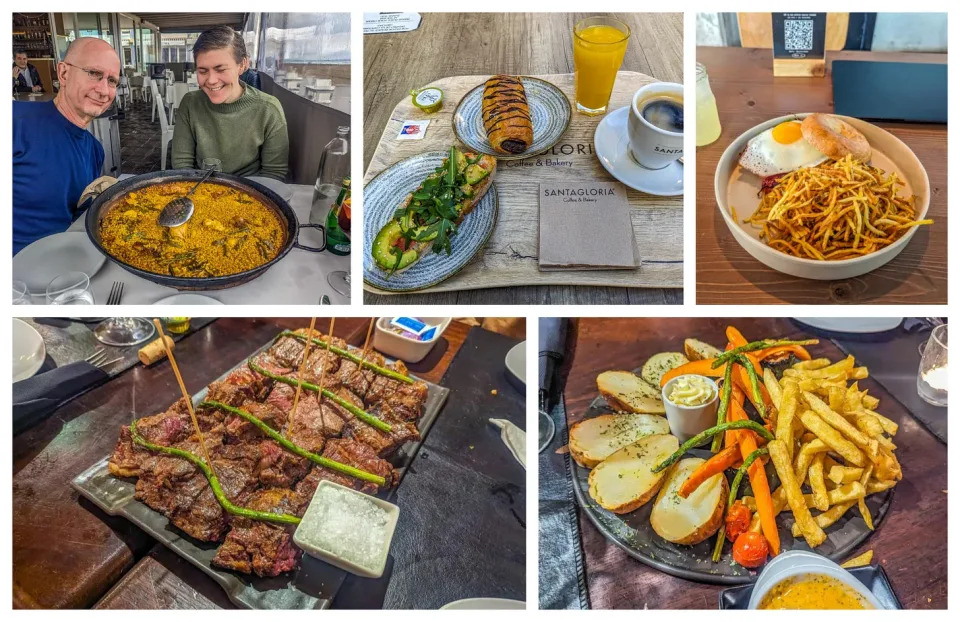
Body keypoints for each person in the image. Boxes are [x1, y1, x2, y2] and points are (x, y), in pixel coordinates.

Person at [12, 38, 120, 255]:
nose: (103, 90)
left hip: (65, 265)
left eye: (112, 81)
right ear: (63, 73)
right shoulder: (15, 120)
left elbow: (77, 215)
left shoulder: (94, 150)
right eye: (94, 73)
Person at [172, 26, 288, 180]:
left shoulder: (269, 109)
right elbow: (182, 165)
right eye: (203, 71)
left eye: (220, 69)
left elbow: (273, 174)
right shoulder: (190, 103)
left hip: (251, 192)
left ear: (242, 65)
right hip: (201, 189)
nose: (211, 80)